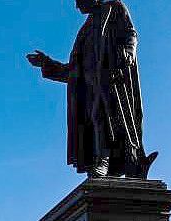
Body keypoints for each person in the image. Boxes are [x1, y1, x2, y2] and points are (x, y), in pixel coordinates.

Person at [27, 0, 156, 178]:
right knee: (94, 122)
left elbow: (130, 32)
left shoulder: (114, 7)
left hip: (110, 77)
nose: (77, 6)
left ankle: (107, 161)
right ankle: (119, 164)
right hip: (88, 88)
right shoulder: (84, 30)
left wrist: (129, 50)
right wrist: (46, 63)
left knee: (104, 116)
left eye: (79, 0)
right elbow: (72, 71)